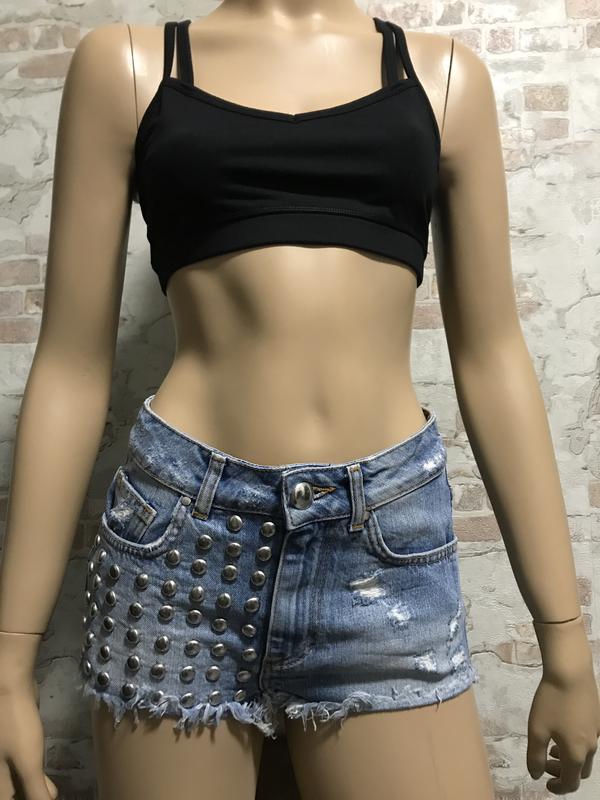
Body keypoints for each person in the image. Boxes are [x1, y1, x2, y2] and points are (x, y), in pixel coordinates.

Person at [0, 2, 598, 798]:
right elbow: (72, 367)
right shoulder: (131, 67)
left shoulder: (445, 76)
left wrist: (564, 639)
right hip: (182, 546)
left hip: (382, 542)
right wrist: (9, 663)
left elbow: (491, 355)